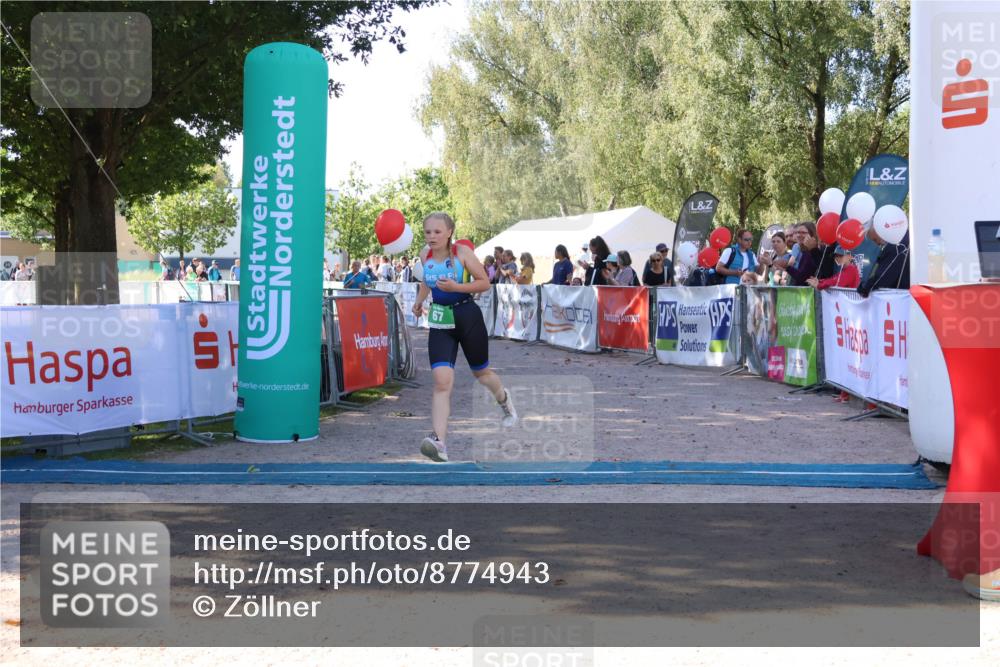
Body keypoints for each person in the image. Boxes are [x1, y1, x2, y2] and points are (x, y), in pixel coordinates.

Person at [412, 212, 517, 462]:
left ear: (449, 232)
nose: (432, 237)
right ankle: (439, 443)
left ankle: (503, 398)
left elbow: (484, 283)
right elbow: (428, 281)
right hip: (440, 320)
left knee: (481, 374)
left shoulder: (462, 254)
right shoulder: (424, 255)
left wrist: (456, 287)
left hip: (467, 316)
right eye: (428, 232)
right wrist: (419, 301)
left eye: (437, 232)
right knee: (441, 381)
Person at [857, 229, 910, 297]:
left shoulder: (896, 244)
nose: (877, 244)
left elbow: (884, 276)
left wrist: (865, 288)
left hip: (900, 297)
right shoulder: (904, 237)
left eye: (875, 240)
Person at [766, 222, 820, 286]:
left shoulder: (812, 252)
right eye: (797, 232)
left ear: (812, 234)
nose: (798, 235)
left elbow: (803, 278)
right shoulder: (804, 252)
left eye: (803, 232)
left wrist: (786, 266)